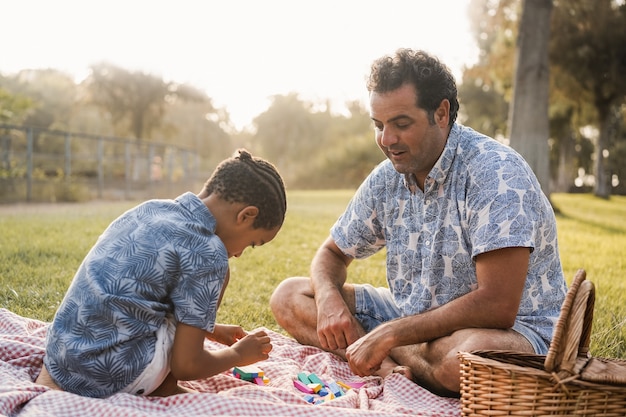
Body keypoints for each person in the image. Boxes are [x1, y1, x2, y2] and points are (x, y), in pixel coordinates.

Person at [270, 48, 567, 398]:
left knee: (466, 360)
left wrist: (390, 334)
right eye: (379, 126)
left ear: (441, 113)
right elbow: (331, 254)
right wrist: (329, 299)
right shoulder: (387, 178)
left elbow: (497, 306)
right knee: (290, 296)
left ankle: (384, 354)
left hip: (513, 332)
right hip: (415, 321)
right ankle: (392, 367)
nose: (386, 140)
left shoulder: (496, 172)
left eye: (401, 124)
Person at [36, 149, 287, 398]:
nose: (241, 253)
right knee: (222, 273)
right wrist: (238, 355)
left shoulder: (152, 209)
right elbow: (186, 365)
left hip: (64, 360)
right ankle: (165, 389)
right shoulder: (209, 252)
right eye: (253, 243)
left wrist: (210, 328)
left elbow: (131, 298)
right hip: (105, 377)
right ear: (246, 215)